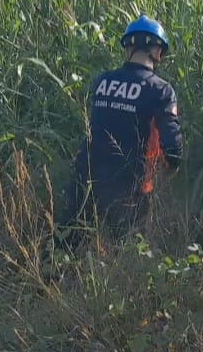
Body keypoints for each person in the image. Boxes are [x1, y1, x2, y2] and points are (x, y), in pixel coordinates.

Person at [57, 14, 184, 246]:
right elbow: (172, 147)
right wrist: (171, 167)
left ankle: (49, 279)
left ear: (128, 48)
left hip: (86, 177)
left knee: (66, 246)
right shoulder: (161, 90)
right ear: (157, 52)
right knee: (128, 252)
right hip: (129, 185)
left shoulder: (102, 81)